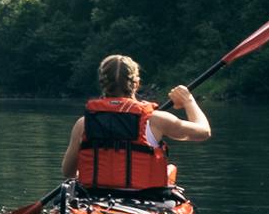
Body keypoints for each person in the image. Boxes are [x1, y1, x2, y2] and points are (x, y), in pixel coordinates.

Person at [63, 52, 212, 197]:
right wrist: (188, 101)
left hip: (94, 197)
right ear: (137, 83)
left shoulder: (84, 124)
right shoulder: (156, 120)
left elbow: (68, 172)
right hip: (147, 199)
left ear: (102, 83)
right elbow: (204, 132)